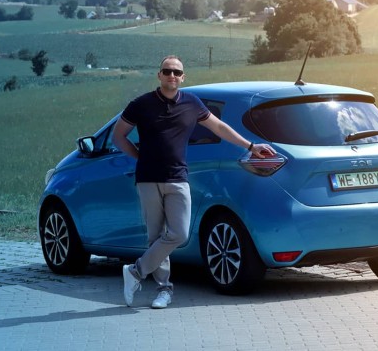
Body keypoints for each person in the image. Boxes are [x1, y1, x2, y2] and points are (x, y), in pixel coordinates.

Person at [112, 55, 275, 309]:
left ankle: (135, 271)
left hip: (178, 178)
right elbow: (118, 135)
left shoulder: (192, 103)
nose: (172, 76)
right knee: (155, 238)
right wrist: (138, 157)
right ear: (159, 75)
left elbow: (219, 127)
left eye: (177, 72)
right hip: (147, 179)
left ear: (183, 77)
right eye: (167, 71)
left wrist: (251, 146)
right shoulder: (141, 104)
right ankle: (164, 290)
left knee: (179, 233)